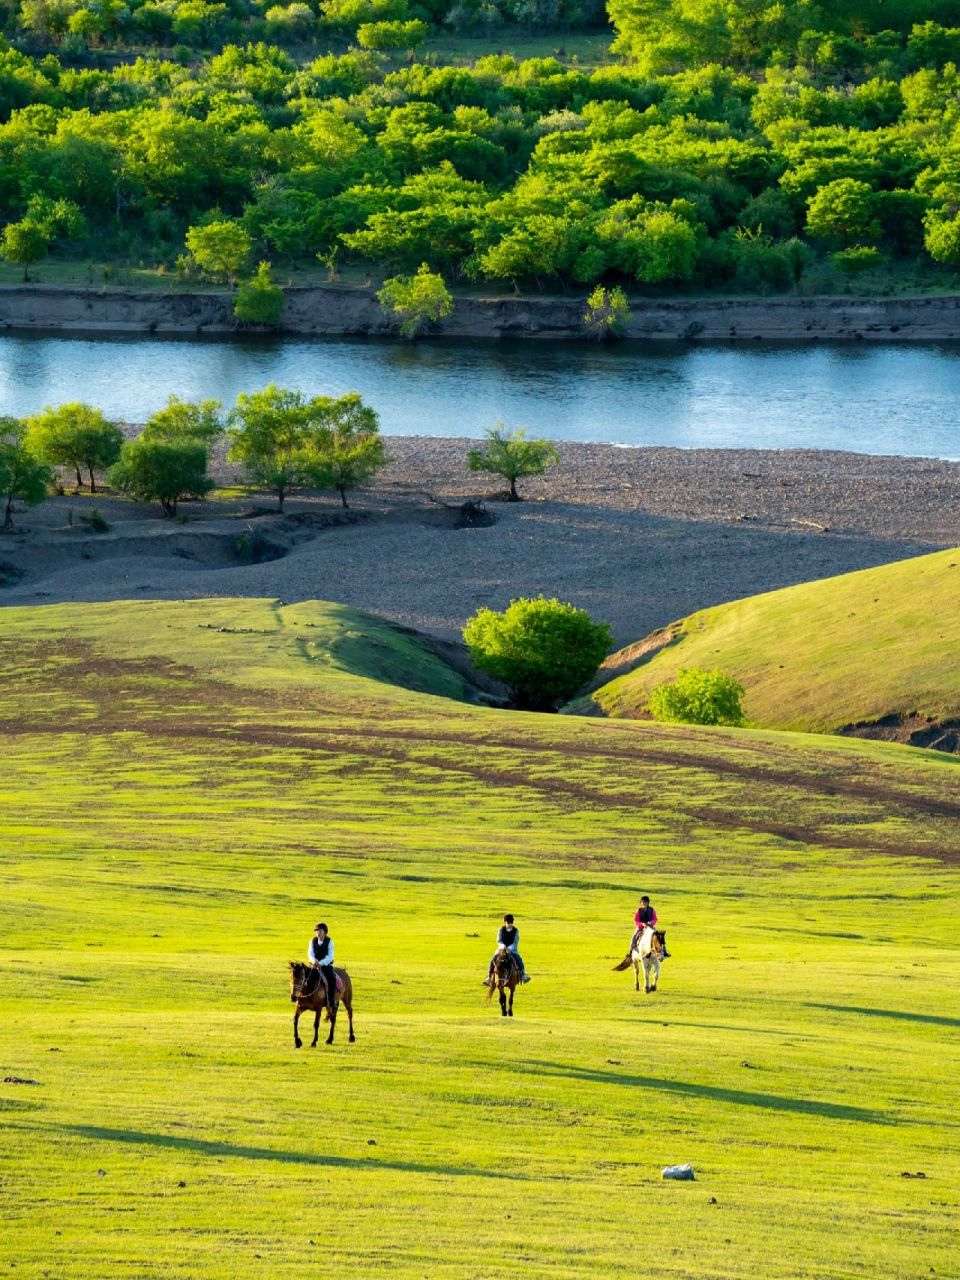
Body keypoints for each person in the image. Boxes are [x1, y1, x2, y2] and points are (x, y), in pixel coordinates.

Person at [483, 913, 530, 985]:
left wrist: (509, 948)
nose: (510, 924)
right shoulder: (501, 930)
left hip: (512, 950)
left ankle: (523, 974)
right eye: (508, 922)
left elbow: (515, 941)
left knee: (518, 958)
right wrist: (503, 946)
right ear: (505, 922)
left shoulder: (516, 930)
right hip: (501, 949)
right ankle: (489, 977)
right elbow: (499, 940)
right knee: (493, 958)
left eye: (511, 922)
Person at [308, 922, 338, 1009]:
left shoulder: (330, 942)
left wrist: (320, 963)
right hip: (313, 964)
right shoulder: (312, 941)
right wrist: (314, 961)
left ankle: (331, 1001)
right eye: (316, 931)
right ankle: (303, 998)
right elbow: (310, 953)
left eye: (319, 931)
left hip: (326, 966)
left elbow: (330, 956)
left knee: (332, 979)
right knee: (305, 977)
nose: (317, 933)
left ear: (325, 932)